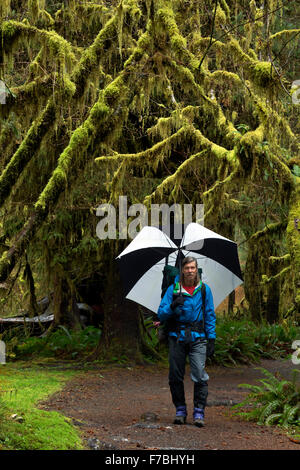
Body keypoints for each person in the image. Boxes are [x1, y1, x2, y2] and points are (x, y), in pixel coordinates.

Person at [157, 256, 216, 427]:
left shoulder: (205, 290)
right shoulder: (172, 290)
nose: (190, 271)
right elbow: (161, 314)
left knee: (199, 374)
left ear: (197, 269)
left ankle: (199, 412)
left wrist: (211, 338)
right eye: (187, 268)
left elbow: (210, 315)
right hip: (177, 337)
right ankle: (180, 410)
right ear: (182, 270)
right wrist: (173, 306)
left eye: (193, 267)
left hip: (198, 338)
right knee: (175, 375)